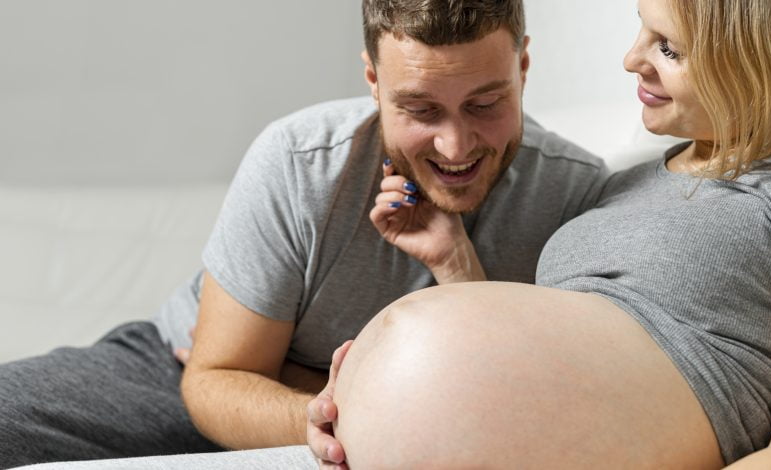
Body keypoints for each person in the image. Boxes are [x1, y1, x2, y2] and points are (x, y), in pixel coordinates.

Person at [0, 0, 607, 468]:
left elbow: (511, 406)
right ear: (373, 80)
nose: (455, 146)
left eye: (484, 104)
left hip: (375, 414)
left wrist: (457, 268)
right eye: (420, 110)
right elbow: (215, 378)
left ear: (523, 68)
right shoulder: (301, 161)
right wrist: (329, 411)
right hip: (180, 370)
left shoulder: (575, 196)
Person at [307, 0, 771, 468]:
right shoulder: (626, 183)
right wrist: (452, 261)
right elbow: (541, 368)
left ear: (751, 57)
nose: (632, 60)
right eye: (643, 31)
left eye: (669, 49)